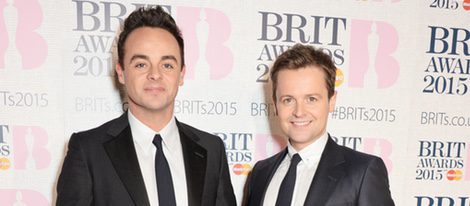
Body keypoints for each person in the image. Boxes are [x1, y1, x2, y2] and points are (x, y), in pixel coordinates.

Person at [57, 6, 236, 206]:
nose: (155, 74)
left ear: (182, 74)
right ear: (121, 72)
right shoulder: (88, 151)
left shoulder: (212, 150)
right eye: (141, 64)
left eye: (167, 65)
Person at [245, 44, 394, 206]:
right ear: (275, 105)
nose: (299, 112)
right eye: (288, 100)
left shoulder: (362, 172)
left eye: (311, 99)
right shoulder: (260, 173)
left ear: (332, 101)